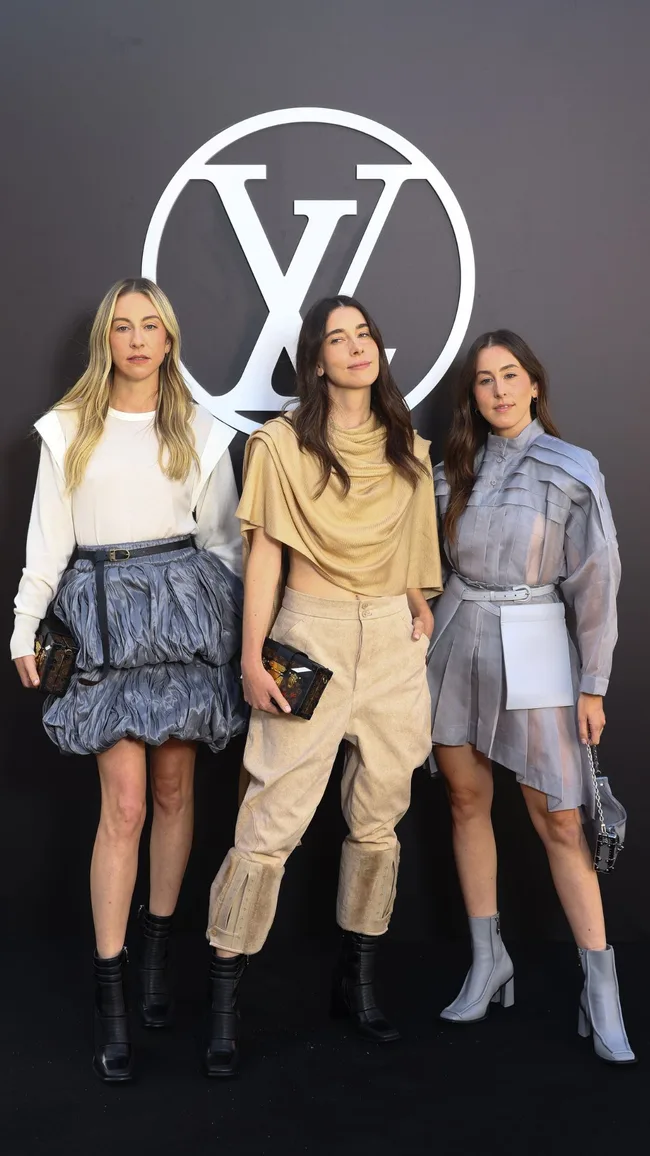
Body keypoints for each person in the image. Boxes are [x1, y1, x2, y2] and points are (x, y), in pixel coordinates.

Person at [11, 278, 247, 1082]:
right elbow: (47, 544)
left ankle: (156, 953)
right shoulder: (68, 428)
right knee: (127, 804)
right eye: (123, 327)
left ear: (170, 337)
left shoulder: (201, 430)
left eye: (152, 326)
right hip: (103, 623)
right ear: (105, 340)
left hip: (181, 621)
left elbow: (225, 545)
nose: (138, 339)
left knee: (177, 793)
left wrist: (229, 629)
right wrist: (22, 625)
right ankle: (111, 995)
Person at [202, 295, 442, 1077]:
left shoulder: (408, 442)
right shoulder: (278, 445)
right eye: (337, 339)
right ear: (315, 360)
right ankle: (226, 1002)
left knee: (380, 816)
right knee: (270, 819)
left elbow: (412, 546)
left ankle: (360, 983)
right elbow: (265, 555)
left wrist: (413, 602)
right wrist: (250, 656)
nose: (354, 348)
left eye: (364, 333)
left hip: (392, 648)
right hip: (311, 634)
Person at [427, 329, 635, 1064]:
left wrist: (594, 684)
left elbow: (598, 582)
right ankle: (489, 962)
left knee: (559, 818)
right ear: (473, 396)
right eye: (484, 381)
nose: (499, 392)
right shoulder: (451, 465)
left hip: (539, 635)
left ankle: (600, 987)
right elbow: (423, 560)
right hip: (457, 632)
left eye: (510, 376)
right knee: (463, 799)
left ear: (535, 383)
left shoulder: (574, 468)